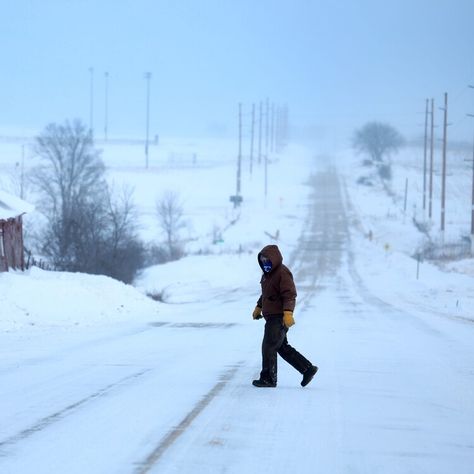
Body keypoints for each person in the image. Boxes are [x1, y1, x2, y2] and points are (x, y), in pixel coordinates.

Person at [252, 244, 318, 388]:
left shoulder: (282, 272)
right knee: (282, 347)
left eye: (267, 260)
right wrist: (259, 306)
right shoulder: (267, 275)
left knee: (269, 346)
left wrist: (288, 313)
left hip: (278, 317)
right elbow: (267, 294)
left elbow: (289, 294)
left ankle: (268, 378)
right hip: (271, 317)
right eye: (262, 260)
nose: (265, 263)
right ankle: (307, 369)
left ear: (274, 259)